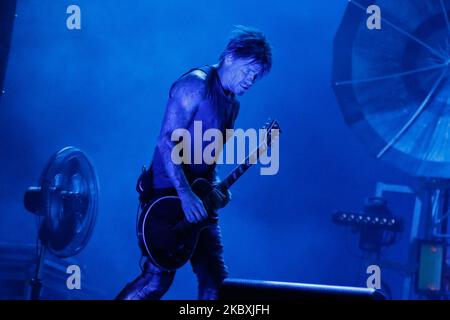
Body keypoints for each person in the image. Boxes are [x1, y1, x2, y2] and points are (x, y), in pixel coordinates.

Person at [116, 25, 272, 300]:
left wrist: (215, 190)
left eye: (256, 76)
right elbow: (166, 142)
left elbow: (208, 155)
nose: (250, 80)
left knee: (215, 283)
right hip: (166, 197)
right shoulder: (195, 85)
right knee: (155, 282)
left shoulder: (232, 104)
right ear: (230, 55)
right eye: (248, 70)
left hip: (199, 200)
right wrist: (186, 195)